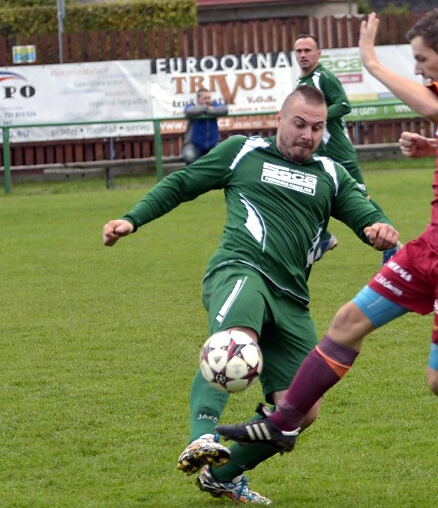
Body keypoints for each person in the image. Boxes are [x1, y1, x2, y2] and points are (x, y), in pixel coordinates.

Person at [216, 10, 438, 508]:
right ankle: (282, 421)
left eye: (424, 60)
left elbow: (431, 104)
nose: (422, 70)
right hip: (435, 245)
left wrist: (371, 63)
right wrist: (434, 145)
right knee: (346, 323)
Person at [102, 86, 399, 505]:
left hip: (291, 299)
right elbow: (183, 182)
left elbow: (366, 214)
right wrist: (132, 219)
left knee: (299, 410)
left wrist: (378, 229)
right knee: (236, 341)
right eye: (299, 124)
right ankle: (201, 436)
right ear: (278, 119)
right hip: (240, 270)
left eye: (316, 128)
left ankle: (223, 474)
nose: (307, 135)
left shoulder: (331, 174)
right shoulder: (243, 151)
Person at [294, 34, 398, 263]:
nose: (302, 55)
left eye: (307, 50)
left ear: (318, 54)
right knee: (309, 190)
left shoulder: (323, 77)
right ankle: (320, 239)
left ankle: (392, 244)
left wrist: (316, 117)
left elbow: (343, 104)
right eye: (299, 51)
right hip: (318, 151)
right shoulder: (301, 83)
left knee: (359, 197)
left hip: (337, 150)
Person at [183, 88, 228, 164]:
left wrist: (209, 111)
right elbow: (189, 111)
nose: (207, 100)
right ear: (198, 99)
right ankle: (193, 175)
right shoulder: (192, 105)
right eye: (205, 98)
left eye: (209, 98)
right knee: (189, 156)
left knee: (225, 155)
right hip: (194, 144)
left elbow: (224, 109)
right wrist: (206, 108)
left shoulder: (213, 104)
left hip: (213, 143)